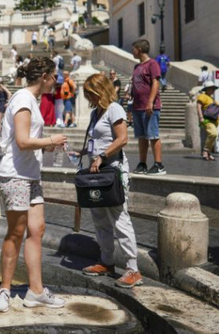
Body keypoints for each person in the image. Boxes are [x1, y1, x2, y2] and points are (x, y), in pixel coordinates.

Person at [0, 56, 68, 313]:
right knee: (16, 232)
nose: (56, 80)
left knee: (37, 229)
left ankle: (36, 291)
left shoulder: (30, 100)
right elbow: (23, 141)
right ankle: (4, 288)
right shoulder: (24, 99)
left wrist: (48, 143)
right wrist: (51, 140)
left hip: (29, 174)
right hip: (15, 174)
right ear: (45, 76)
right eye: (54, 75)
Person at [73, 74, 143, 289]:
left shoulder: (115, 109)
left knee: (119, 218)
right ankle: (106, 262)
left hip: (112, 170)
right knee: (100, 218)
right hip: (97, 171)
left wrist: (102, 156)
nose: (88, 98)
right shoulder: (96, 113)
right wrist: (83, 151)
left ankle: (133, 269)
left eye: (90, 94)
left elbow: (122, 139)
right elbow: (99, 139)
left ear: (100, 90)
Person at [130, 40, 165, 175]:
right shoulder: (136, 67)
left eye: (133, 49)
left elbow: (156, 83)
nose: (132, 51)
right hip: (138, 106)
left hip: (150, 106)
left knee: (153, 135)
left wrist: (150, 102)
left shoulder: (152, 64)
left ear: (139, 49)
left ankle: (158, 164)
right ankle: (142, 163)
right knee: (142, 136)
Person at [196, 81, 219, 161]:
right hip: (207, 120)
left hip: (214, 120)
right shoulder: (203, 96)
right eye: (211, 88)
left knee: (209, 137)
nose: (213, 90)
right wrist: (201, 117)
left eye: (213, 88)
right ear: (207, 89)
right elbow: (198, 107)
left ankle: (208, 153)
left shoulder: (212, 98)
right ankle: (205, 150)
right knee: (213, 134)